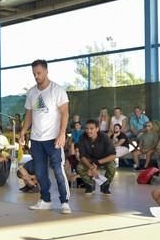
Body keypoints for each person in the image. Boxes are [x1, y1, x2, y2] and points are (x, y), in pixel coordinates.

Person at [20, 59, 71, 214]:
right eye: (34, 74)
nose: (36, 76)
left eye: (39, 73)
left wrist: (62, 133)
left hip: (53, 138)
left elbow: (65, 113)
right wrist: (23, 131)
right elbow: (29, 114)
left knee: (58, 170)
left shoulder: (58, 90)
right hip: (36, 140)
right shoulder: (31, 93)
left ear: (46, 71)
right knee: (40, 171)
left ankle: (64, 201)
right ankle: (45, 200)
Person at [76, 119, 116, 195]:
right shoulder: (82, 137)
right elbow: (82, 156)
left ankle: (105, 186)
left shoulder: (105, 137)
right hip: (90, 160)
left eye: (91, 128)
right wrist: (91, 167)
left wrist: (97, 163)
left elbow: (113, 155)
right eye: (87, 128)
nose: (88, 131)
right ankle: (90, 185)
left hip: (103, 160)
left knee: (112, 167)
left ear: (97, 129)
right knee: (79, 168)